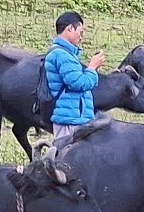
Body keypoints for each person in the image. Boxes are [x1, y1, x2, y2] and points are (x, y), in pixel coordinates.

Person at [45, 11, 105, 140]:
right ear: (70, 28)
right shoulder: (62, 55)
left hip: (73, 117)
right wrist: (92, 67)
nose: (81, 37)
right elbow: (78, 83)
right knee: (66, 158)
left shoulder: (64, 54)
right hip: (70, 119)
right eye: (80, 32)